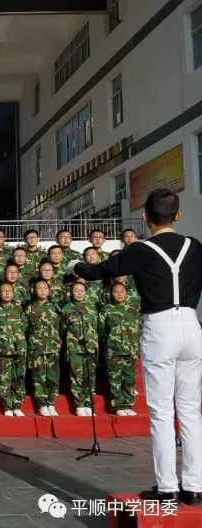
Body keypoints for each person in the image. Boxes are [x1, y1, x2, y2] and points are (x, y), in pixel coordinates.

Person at [68, 188, 202, 504]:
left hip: (160, 327)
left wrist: (75, 266)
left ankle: (168, 488)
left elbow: (101, 271)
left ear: (145, 218)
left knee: (161, 412)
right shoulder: (195, 247)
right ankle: (195, 487)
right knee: (191, 411)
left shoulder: (141, 250)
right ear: (178, 216)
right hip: (192, 325)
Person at [99, 283, 141, 418]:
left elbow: (139, 328)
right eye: (116, 292)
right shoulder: (106, 309)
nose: (119, 294)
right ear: (111, 294)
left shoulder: (133, 310)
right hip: (113, 351)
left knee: (129, 379)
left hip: (131, 349)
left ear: (126, 293)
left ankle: (128, 404)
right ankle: (118, 406)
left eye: (122, 291)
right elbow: (101, 329)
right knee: (115, 379)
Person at [0, 283, 28, 417]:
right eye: (3, 291)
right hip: (2, 350)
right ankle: (7, 406)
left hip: (19, 349)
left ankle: (17, 404)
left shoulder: (19, 309)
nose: (7, 293)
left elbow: (25, 327)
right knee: (4, 378)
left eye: (9, 291)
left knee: (18, 377)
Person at [61, 283, 98, 417]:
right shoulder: (66, 309)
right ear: (71, 293)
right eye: (76, 291)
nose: (79, 293)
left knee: (90, 377)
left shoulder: (92, 308)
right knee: (76, 376)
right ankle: (79, 404)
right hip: (74, 348)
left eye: (82, 291)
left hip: (91, 347)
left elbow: (96, 326)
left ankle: (88, 404)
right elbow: (62, 329)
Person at [26, 280, 61, 417]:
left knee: (53, 377)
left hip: (53, 346)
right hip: (36, 347)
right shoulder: (30, 308)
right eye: (39, 288)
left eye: (45, 288)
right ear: (35, 291)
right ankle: (41, 404)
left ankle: (51, 402)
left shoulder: (55, 307)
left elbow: (61, 326)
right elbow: (25, 327)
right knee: (38, 376)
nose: (42, 290)